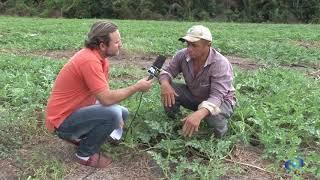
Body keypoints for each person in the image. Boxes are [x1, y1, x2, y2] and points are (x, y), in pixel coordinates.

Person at [45, 21, 153, 168]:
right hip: (61, 122)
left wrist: (114, 113)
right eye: (116, 42)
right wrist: (136, 87)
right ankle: (84, 154)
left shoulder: (100, 59)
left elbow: (102, 95)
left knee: (123, 112)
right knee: (114, 113)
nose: (120, 45)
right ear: (102, 45)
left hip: (76, 110)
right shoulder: (88, 60)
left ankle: (87, 138)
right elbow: (106, 99)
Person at [158, 25, 236, 138]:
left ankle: (221, 138)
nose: (189, 48)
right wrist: (165, 83)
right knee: (171, 89)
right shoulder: (182, 55)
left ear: (208, 45)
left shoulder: (220, 63)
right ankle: (175, 123)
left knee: (213, 116)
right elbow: (167, 71)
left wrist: (200, 113)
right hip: (195, 95)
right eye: (188, 44)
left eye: (194, 45)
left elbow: (217, 96)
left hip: (222, 101)